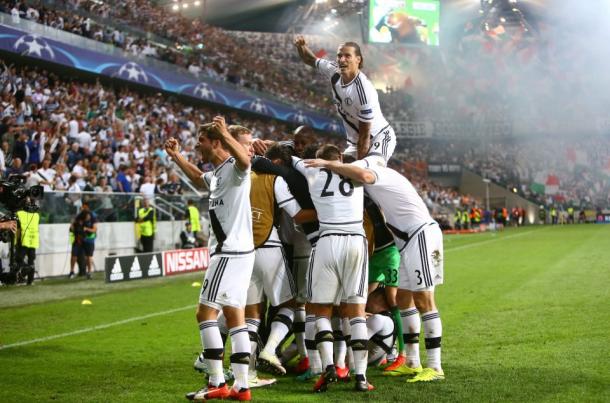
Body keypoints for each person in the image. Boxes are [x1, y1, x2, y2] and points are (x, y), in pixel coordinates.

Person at [305, 155, 445, 383]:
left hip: (420, 235)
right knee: (403, 300)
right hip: (407, 241)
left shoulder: (378, 172)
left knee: (424, 300)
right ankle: (412, 362)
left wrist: (331, 164)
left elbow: (364, 175)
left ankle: (435, 366)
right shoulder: (379, 180)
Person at [165, 116, 255, 401]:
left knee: (204, 313)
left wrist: (226, 133)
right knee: (234, 315)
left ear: (215, 142)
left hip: (228, 253)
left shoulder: (233, 168)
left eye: (202, 140)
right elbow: (195, 177)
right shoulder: (217, 173)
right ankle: (241, 386)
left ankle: (216, 380)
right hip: (240, 253)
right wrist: (176, 155)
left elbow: (244, 160)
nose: (197, 145)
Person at [292, 144, 372, 393]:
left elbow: (289, 158)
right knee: (357, 311)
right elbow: (366, 174)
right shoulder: (355, 170)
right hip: (355, 241)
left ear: (317, 159)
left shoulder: (311, 171)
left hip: (326, 241)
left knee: (320, 311)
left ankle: (327, 367)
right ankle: (360, 376)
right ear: (340, 157)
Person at [294, 36, 396, 165]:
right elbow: (310, 59)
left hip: (379, 138)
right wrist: (301, 46)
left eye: (347, 56)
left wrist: (358, 167)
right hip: (356, 142)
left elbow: (365, 136)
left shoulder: (363, 91)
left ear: (358, 59)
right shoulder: (333, 71)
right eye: (339, 55)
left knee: (363, 174)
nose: (342, 59)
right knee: (333, 169)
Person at [16, 203, 40, 285]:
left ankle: (21, 277)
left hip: (23, 240)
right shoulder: (36, 216)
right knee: (31, 260)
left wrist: (16, 241)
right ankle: (30, 281)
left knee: (18, 259)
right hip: (33, 240)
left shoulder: (20, 214)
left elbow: (18, 230)